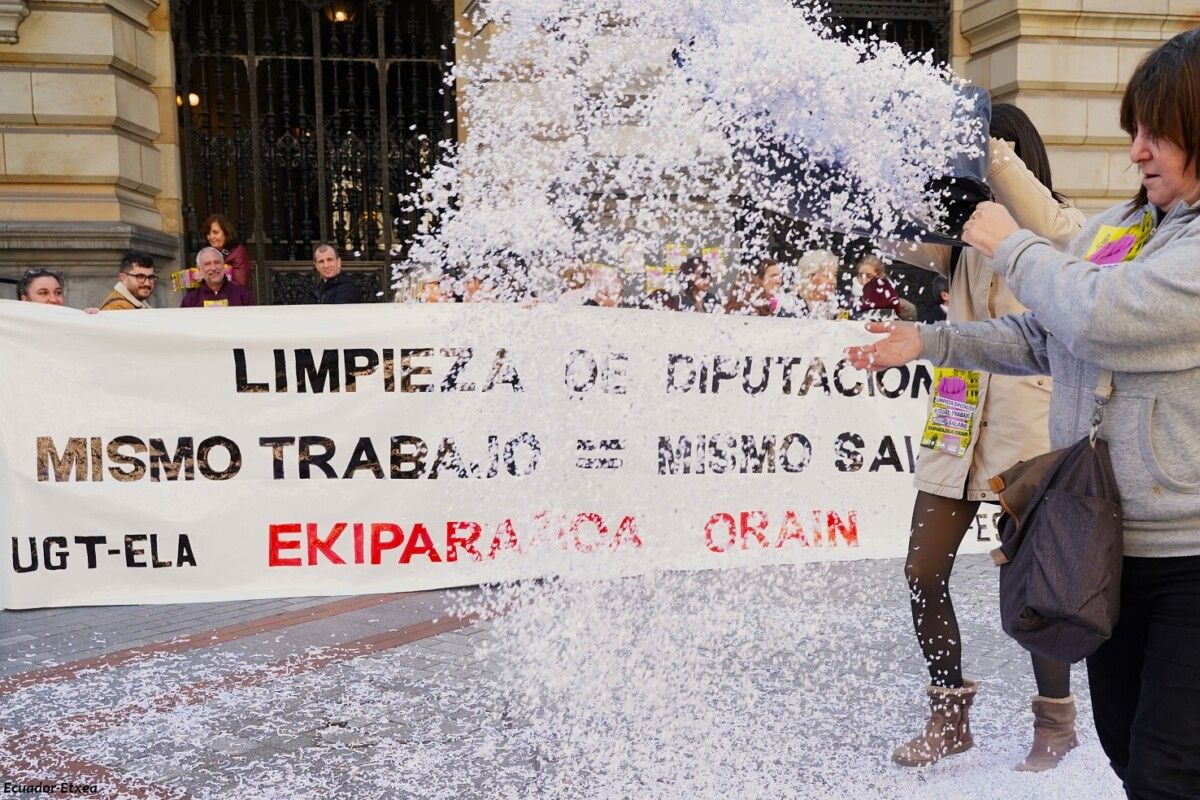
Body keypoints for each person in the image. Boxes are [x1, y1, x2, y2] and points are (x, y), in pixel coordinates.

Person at [847, 29, 1200, 797]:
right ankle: (974, 712)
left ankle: (1049, 716)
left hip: (1188, 557)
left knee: (1169, 766)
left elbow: (1100, 313)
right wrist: (929, 338)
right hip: (1117, 542)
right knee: (1130, 752)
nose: (1137, 152)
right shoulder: (1137, 228)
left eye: (1157, 133)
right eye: (1132, 132)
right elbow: (1047, 335)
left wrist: (1010, 238)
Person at [881, 105, 1087, 771]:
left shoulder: (1060, 227)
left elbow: (1061, 237)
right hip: (956, 422)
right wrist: (901, 176)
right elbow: (901, 243)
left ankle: (1054, 722)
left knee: (1039, 582)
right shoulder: (961, 235)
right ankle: (949, 713)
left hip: (1033, 432)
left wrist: (994, 155)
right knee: (921, 570)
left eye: (984, 158)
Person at [181, 247, 255, 308]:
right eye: (207, 264)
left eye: (217, 262)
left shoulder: (242, 295)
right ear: (199, 269)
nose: (213, 268)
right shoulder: (190, 301)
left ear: (223, 265)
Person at [851, 255, 917, 321]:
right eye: (861, 275)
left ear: (880, 276)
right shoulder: (853, 293)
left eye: (869, 276)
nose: (863, 280)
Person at [203, 213, 253, 289]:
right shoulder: (207, 253)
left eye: (215, 232)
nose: (211, 237)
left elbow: (240, 285)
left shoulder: (237, 251)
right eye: (208, 233)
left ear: (226, 232)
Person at [793, 249, 843, 319]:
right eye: (827, 275)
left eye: (835, 275)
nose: (833, 281)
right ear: (810, 277)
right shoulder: (794, 306)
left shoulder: (839, 304)